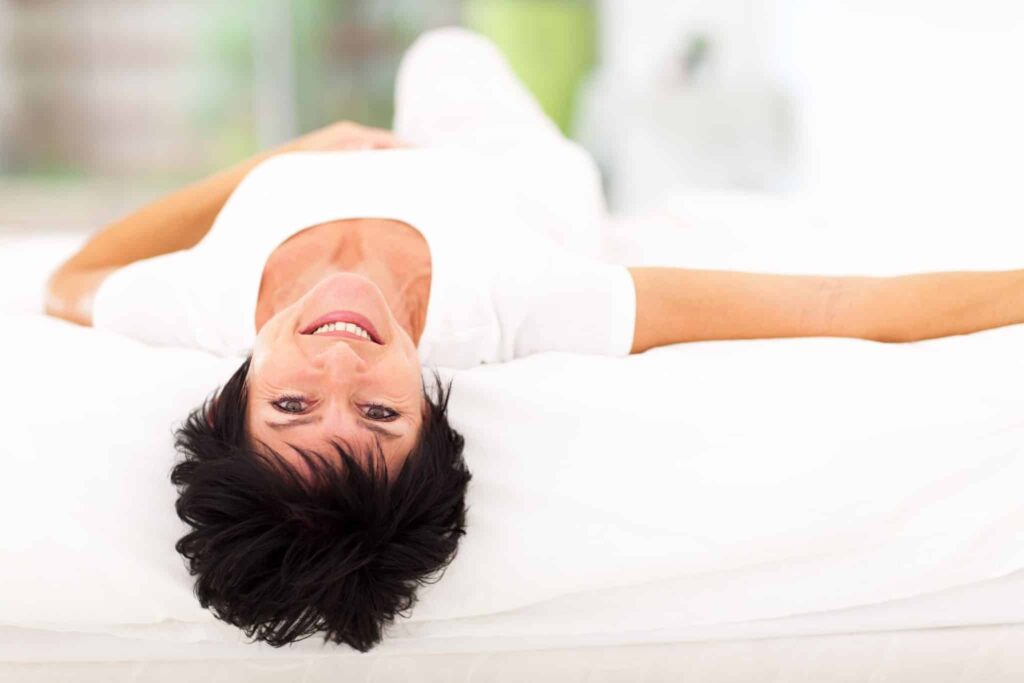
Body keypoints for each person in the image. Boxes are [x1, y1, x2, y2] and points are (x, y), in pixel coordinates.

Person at [44, 28, 1024, 651]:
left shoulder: (181, 307)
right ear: (427, 407)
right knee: (451, 62)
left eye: (292, 404)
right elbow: (838, 307)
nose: (338, 364)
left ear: (235, 395)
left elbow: (66, 280)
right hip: (510, 176)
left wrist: (281, 158)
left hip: (363, 159)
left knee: (431, 47)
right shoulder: (527, 303)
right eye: (378, 410)